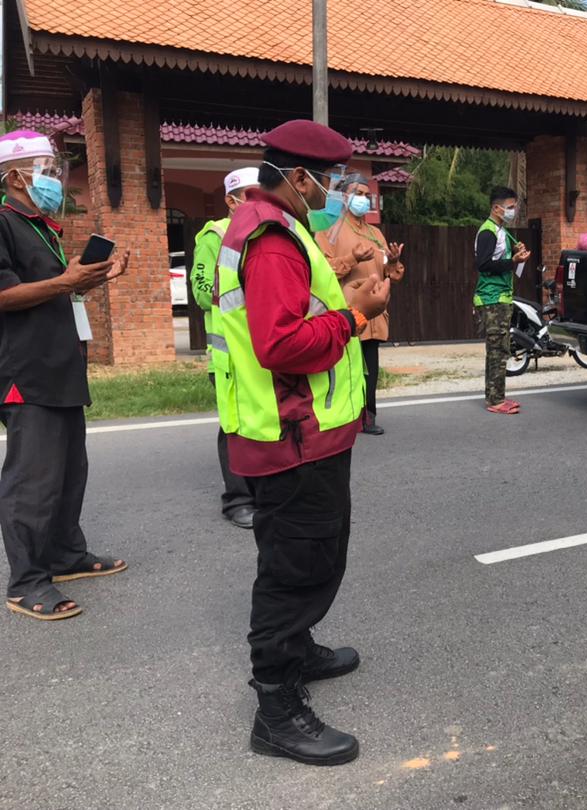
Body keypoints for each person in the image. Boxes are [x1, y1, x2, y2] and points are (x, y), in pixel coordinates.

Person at [211, 120, 390, 765]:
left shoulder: (280, 228)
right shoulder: (274, 241)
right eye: (333, 182)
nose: (340, 193)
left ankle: (300, 650)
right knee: (293, 570)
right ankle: (276, 707)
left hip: (307, 433)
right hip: (293, 437)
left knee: (316, 554)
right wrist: (356, 314)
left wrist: (343, 301)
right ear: (299, 177)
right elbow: (281, 345)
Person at [0, 129, 129, 621]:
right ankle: (27, 581)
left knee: (69, 471)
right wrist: (64, 280)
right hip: (25, 371)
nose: (54, 178)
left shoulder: (42, 227)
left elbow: (56, 294)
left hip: (60, 366)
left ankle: (65, 554)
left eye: (54, 169)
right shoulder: (4, 222)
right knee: (32, 480)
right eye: (43, 169)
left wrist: (92, 278)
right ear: (14, 176)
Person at [190, 167, 260, 528]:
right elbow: (202, 291)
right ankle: (237, 499)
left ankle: (263, 492)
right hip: (230, 353)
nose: (257, 201)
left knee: (262, 421)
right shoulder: (214, 236)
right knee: (234, 424)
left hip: (263, 348)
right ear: (231, 201)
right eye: (250, 194)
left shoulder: (266, 231)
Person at [316, 173, 405, 436]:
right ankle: (343, 417)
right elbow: (323, 272)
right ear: (343, 196)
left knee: (370, 370)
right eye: (358, 194)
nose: (363, 200)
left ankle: (368, 417)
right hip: (347, 311)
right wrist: (351, 258)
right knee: (346, 369)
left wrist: (394, 261)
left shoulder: (375, 232)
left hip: (376, 313)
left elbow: (390, 273)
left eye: (367, 195)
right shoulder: (329, 229)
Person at [474, 186, 530, 415]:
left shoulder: (502, 232)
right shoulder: (488, 231)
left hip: (501, 296)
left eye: (514, 206)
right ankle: (495, 400)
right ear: (496, 208)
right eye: (510, 207)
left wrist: (517, 255)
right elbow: (483, 265)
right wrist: (512, 260)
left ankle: (497, 395)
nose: (513, 211)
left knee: (501, 349)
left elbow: (504, 261)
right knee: (497, 350)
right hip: (491, 297)